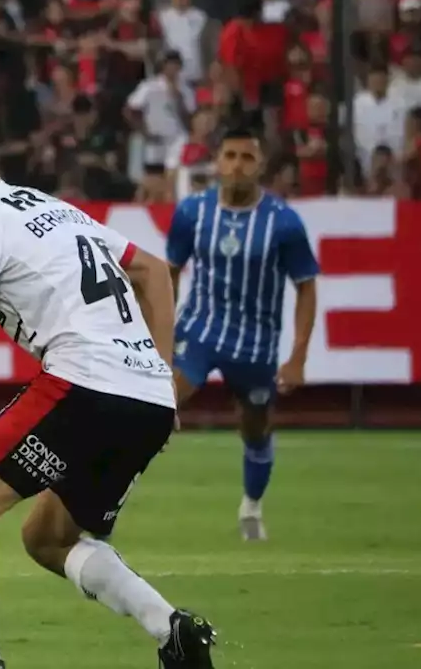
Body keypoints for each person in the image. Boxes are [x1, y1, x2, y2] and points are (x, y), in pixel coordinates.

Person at [0, 105, 217, 669]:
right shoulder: (54, 209)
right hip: (147, 399)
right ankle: (173, 631)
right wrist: (162, 375)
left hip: (85, 382)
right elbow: (152, 270)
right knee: (48, 538)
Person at [166, 127, 319, 541]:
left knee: (255, 427)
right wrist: (160, 335)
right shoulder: (192, 212)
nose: (237, 165)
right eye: (230, 155)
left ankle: (251, 506)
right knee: (158, 403)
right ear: (216, 162)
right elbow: (171, 274)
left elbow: (305, 286)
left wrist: (298, 356)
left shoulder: (284, 223)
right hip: (199, 329)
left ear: (261, 165)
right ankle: (111, 496)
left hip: (255, 343)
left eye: (247, 157)